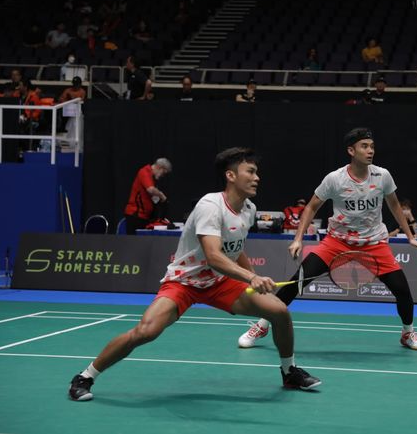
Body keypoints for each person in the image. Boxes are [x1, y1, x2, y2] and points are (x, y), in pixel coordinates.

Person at [68, 148, 321, 401]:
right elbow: (213, 255)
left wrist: (253, 279)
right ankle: (86, 376)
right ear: (231, 175)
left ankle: (289, 372)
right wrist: (250, 278)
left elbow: (235, 249)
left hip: (219, 283)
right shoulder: (210, 205)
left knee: (279, 311)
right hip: (184, 282)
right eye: (251, 172)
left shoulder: (249, 208)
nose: (257, 178)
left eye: (257, 172)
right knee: (145, 331)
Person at [238, 128, 417, 351]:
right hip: (337, 242)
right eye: (364, 146)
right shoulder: (335, 179)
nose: (370, 151)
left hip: (373, 242)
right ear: (351, 150)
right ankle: (262, 325)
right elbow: (311, 206)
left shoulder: (382, 175)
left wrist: (411, 237)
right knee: (297, 281)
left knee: (402, 290)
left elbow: (394, 205)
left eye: (372, 146)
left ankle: (407, 333)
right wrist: (298, 238)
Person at [124, 158, 172, 235]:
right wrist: (162, 195)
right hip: (135, 215)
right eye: (163, 173)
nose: (162, 176)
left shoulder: (153, 179)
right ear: (160, 167)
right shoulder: (144, 172)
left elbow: (153, 198)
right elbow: (150, 190)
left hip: (145, 217)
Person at [58, 76, 86, 141]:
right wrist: (68, 100)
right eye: (74, 83)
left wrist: (73, 99)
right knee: (60, 111)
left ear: (80, 84)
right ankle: (62, 128)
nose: (75, 85)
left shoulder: (82, 91)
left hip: (77, 110)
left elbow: (81, 101)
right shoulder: (68, 90)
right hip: (67, 109)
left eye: (77, 84)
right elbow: (61, 99)